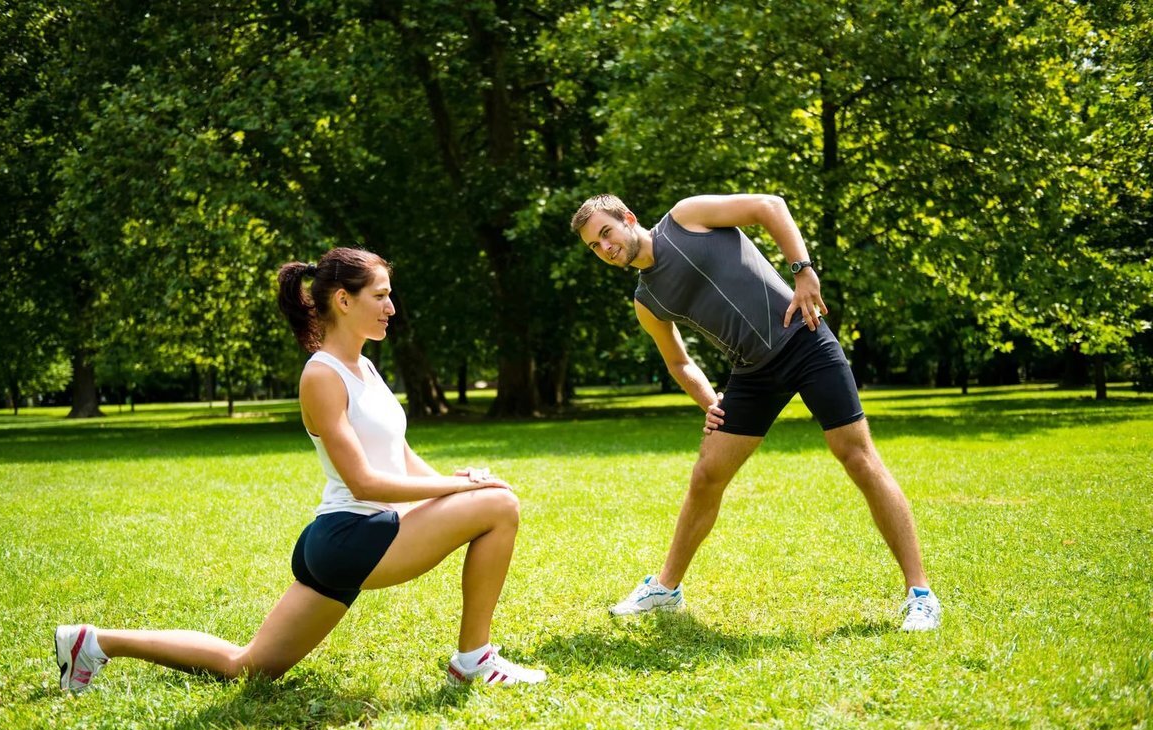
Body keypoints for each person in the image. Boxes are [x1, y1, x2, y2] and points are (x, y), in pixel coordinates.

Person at [55, 247, 547, 692]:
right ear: (343, 300)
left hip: (347, 541)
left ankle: (94, 642)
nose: (391, 308)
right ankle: (474, 660)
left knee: (247, 666)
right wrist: (466, 490)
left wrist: (459, 481)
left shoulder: (365, 367)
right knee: (500, 505)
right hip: (354, 535)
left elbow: (397, 456)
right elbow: (364, 482)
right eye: (381, 296)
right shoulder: (322, 375)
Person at [571, 193, 941, 631]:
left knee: (857, 456)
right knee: (707, 474)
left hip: (803, 338)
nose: (605, 248)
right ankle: (666, 589)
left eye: (606, 233)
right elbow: (679, 362)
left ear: (628, 219)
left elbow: (770, 206)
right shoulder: (647, 300)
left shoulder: (685, 218)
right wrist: (711, 403)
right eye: (595, 246)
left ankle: (920, 594)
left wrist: (803, 272)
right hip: (752, 372)